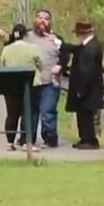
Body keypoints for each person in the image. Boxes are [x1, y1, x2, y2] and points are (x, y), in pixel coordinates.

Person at [22, 9, 64, 148]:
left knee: (47, 112)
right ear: (34, 20)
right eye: (39, 17)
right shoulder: (26, 37)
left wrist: (60, 66)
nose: (42, 21)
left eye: (46, 18)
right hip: (31, 81)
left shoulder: (56, 39)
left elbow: (65, 56)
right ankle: (28, 138)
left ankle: (50, 138)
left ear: (50, 22)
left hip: (50, 82)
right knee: (30, 112)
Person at [0, 24, 44, 150]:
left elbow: (3, 64)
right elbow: (41, 65)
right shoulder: (33, 48)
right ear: (26, 35)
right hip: (31, 84)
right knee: (29, 113)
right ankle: (27, 141)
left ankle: (10, 142)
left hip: (11, 85)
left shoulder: (6, 49)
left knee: (12, 114)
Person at [68, 19, 104, 150]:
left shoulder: (90, 48)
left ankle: (89, 139)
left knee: (86, 115)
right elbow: (75, 50)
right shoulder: (88, 45)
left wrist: (81, 89)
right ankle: (84, 138)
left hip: (89, 88)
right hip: (89, 87)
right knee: (82, 113)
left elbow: (87, 70)